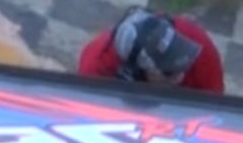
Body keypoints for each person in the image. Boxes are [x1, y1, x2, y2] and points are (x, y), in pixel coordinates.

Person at [76, 6, 226, 93]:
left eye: (179, 47)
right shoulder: (94, 73)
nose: (182, 73)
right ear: (136, 74)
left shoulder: (198, 44)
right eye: (169, 71)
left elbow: (215, 111)